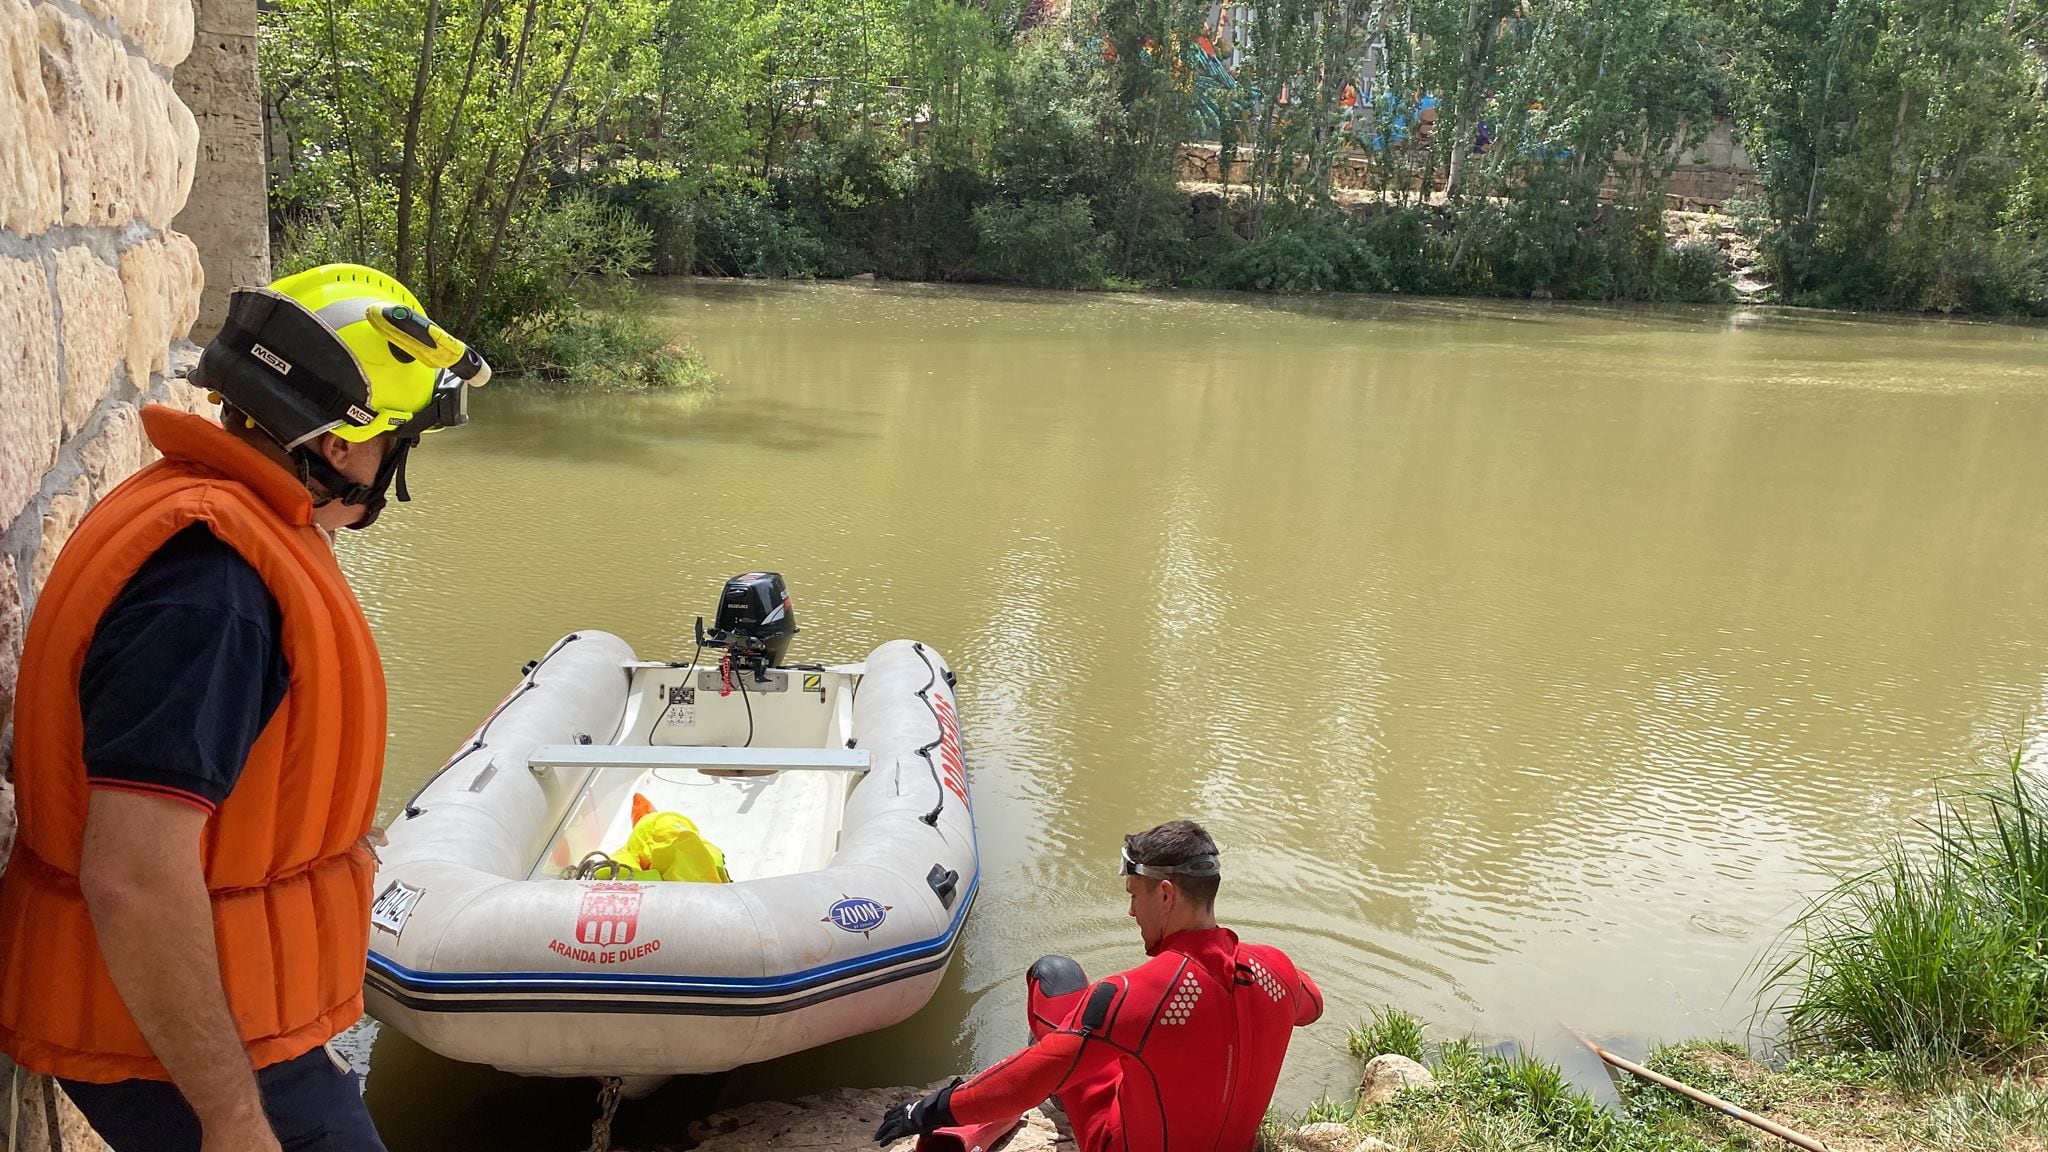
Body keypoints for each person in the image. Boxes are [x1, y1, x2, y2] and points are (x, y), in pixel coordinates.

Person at [0, 265, 489, 1152]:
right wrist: (232, 1116)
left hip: (221, 1024)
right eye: (394, 439)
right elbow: (134, 876)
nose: (393, 464)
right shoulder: (213, 594)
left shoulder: (213, 525)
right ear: (339, 445)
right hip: (174, 1051)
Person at [876, 820, 1323, 1152]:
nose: (1132, 913)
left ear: (1166, 895)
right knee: (1111, 1048)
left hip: (1117, 1143)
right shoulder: (1275, 970)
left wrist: (930, 1109)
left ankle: (976, 1127)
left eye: (1134, 895)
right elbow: (1314, 1006)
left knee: (1053, 977)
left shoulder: (1137, 994)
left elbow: (1030, 1079)